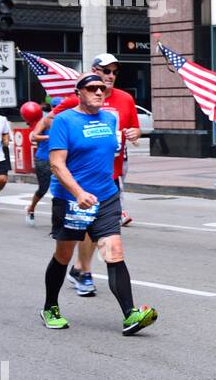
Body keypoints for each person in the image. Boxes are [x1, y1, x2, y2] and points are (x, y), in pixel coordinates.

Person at [41, 74, 157, 334]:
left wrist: (134, 133)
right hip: (72, 200)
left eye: (102, 89)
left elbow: (115, 148)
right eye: (91, 88)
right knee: (63, 255)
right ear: (79, 92)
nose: (98, 92)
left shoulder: (109, 118)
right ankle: (50, 307)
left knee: (114, 253)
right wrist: (79, 192)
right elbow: (56, 164)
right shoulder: (64, 121)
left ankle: (130, 315)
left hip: (105, 196)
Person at [49, 54, 142, 296]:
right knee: (66, 251)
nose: (109, 77)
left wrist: (134, 134)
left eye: (113, 73)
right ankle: (72, 279)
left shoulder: (120, 104)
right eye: (104, 71)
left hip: (110, 181)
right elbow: (53, 128)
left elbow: (132, 129)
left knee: (112, 248)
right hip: (75, 190)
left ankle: (87, 274)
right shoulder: (69, 110)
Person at [27, 107, 54, 227]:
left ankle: (58, 221)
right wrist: (48, 137)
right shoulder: (45, 120)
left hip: (61, 160)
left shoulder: (67, 120)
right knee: (43, 189)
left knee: (60, 191)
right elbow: (33, 136)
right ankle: (31, 208)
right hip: (44, 159)